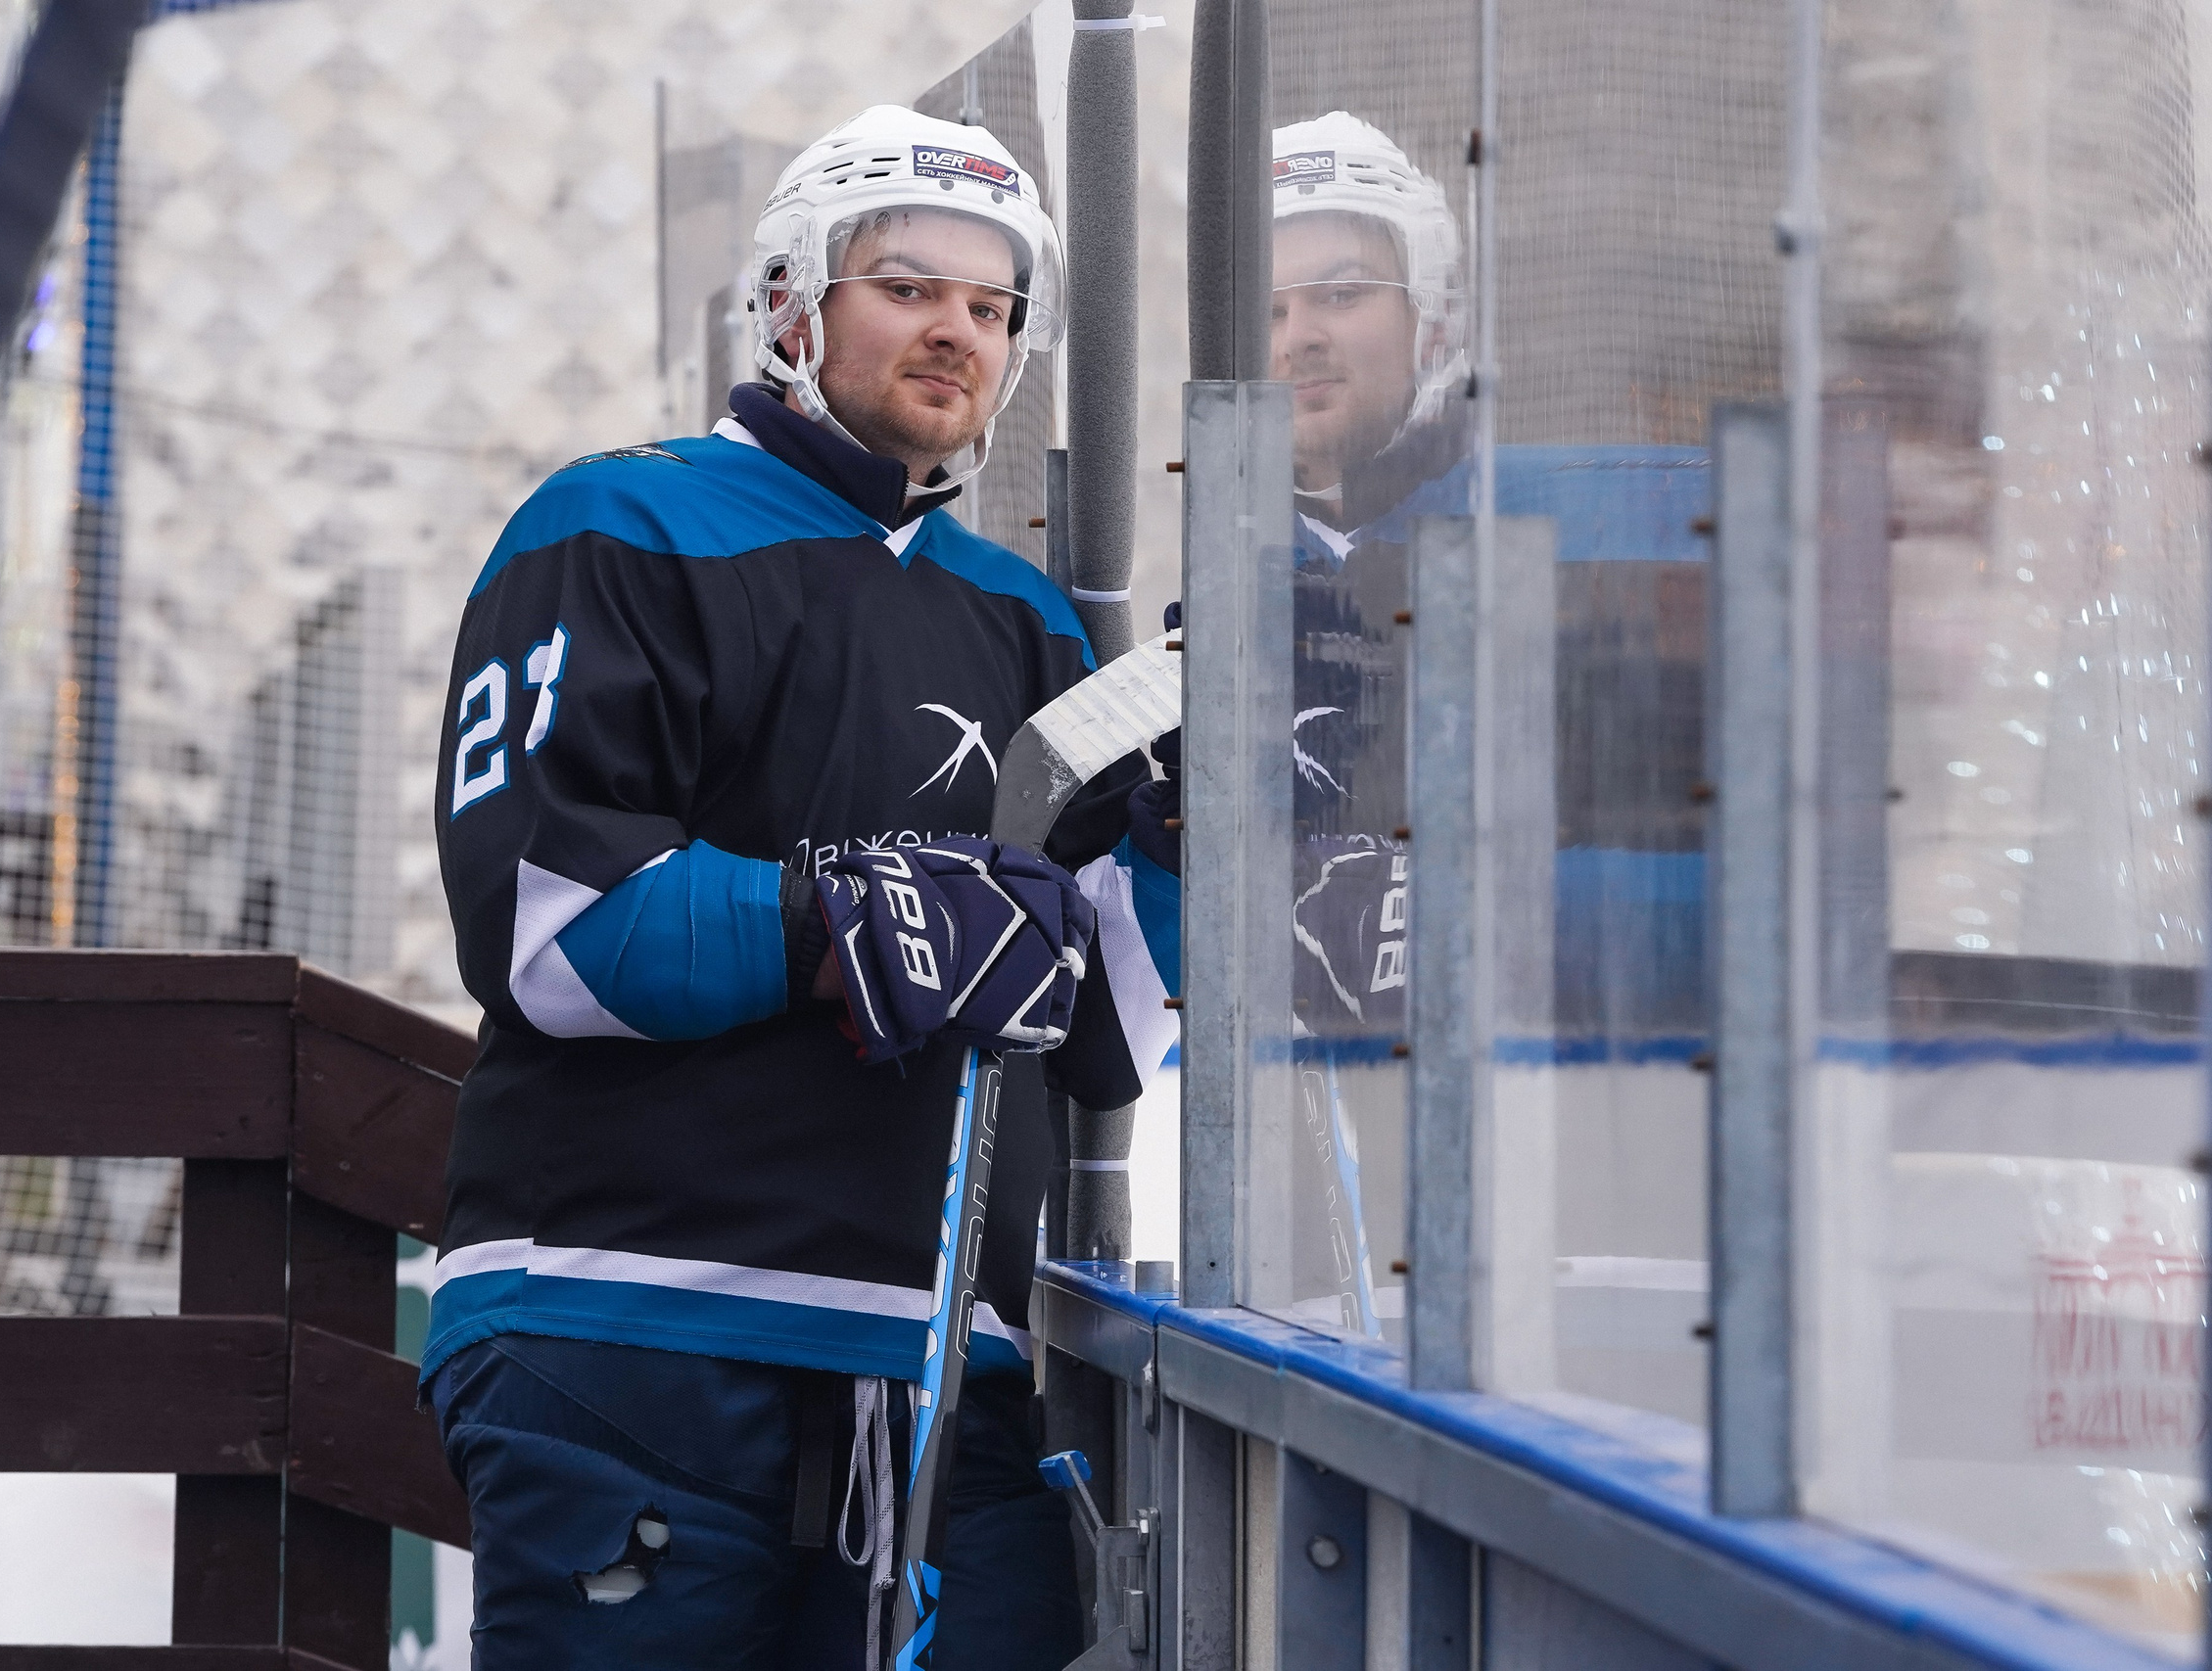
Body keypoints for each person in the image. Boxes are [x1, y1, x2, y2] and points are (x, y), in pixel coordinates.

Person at [424, 105, 1145, 1671]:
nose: (956, 327)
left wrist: (1195, 857)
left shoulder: (1029, 624)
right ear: (789, 305)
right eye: (908, 284)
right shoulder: (618, 521)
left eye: (992, 304)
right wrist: (840, 918)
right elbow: (547, 926)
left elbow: (1104, 1043)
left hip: (947, 1369)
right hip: (629, 1331)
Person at [1121, 114, 1467, 1333]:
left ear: (1431, 314)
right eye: (1263, 311)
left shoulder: (1526, 539)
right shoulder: (1220, 607)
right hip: (1321, 1257)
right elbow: (1173, 986)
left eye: (1340, 291)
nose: (1301, 335)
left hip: (1585, 1184)